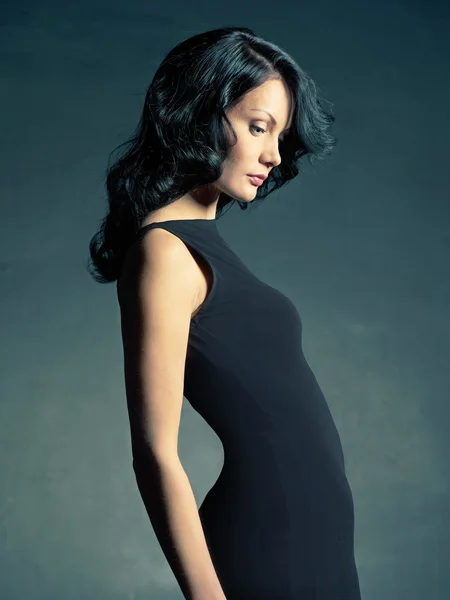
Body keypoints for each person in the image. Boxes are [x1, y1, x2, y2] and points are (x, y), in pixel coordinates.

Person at [88, 26, 362, 600]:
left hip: (316, 544)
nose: (273, 154)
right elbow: (155, 453)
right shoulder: (164, 252)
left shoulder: (205, 243)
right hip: (267, 547)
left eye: (281, 135)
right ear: (199, 115)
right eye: (259, 127)